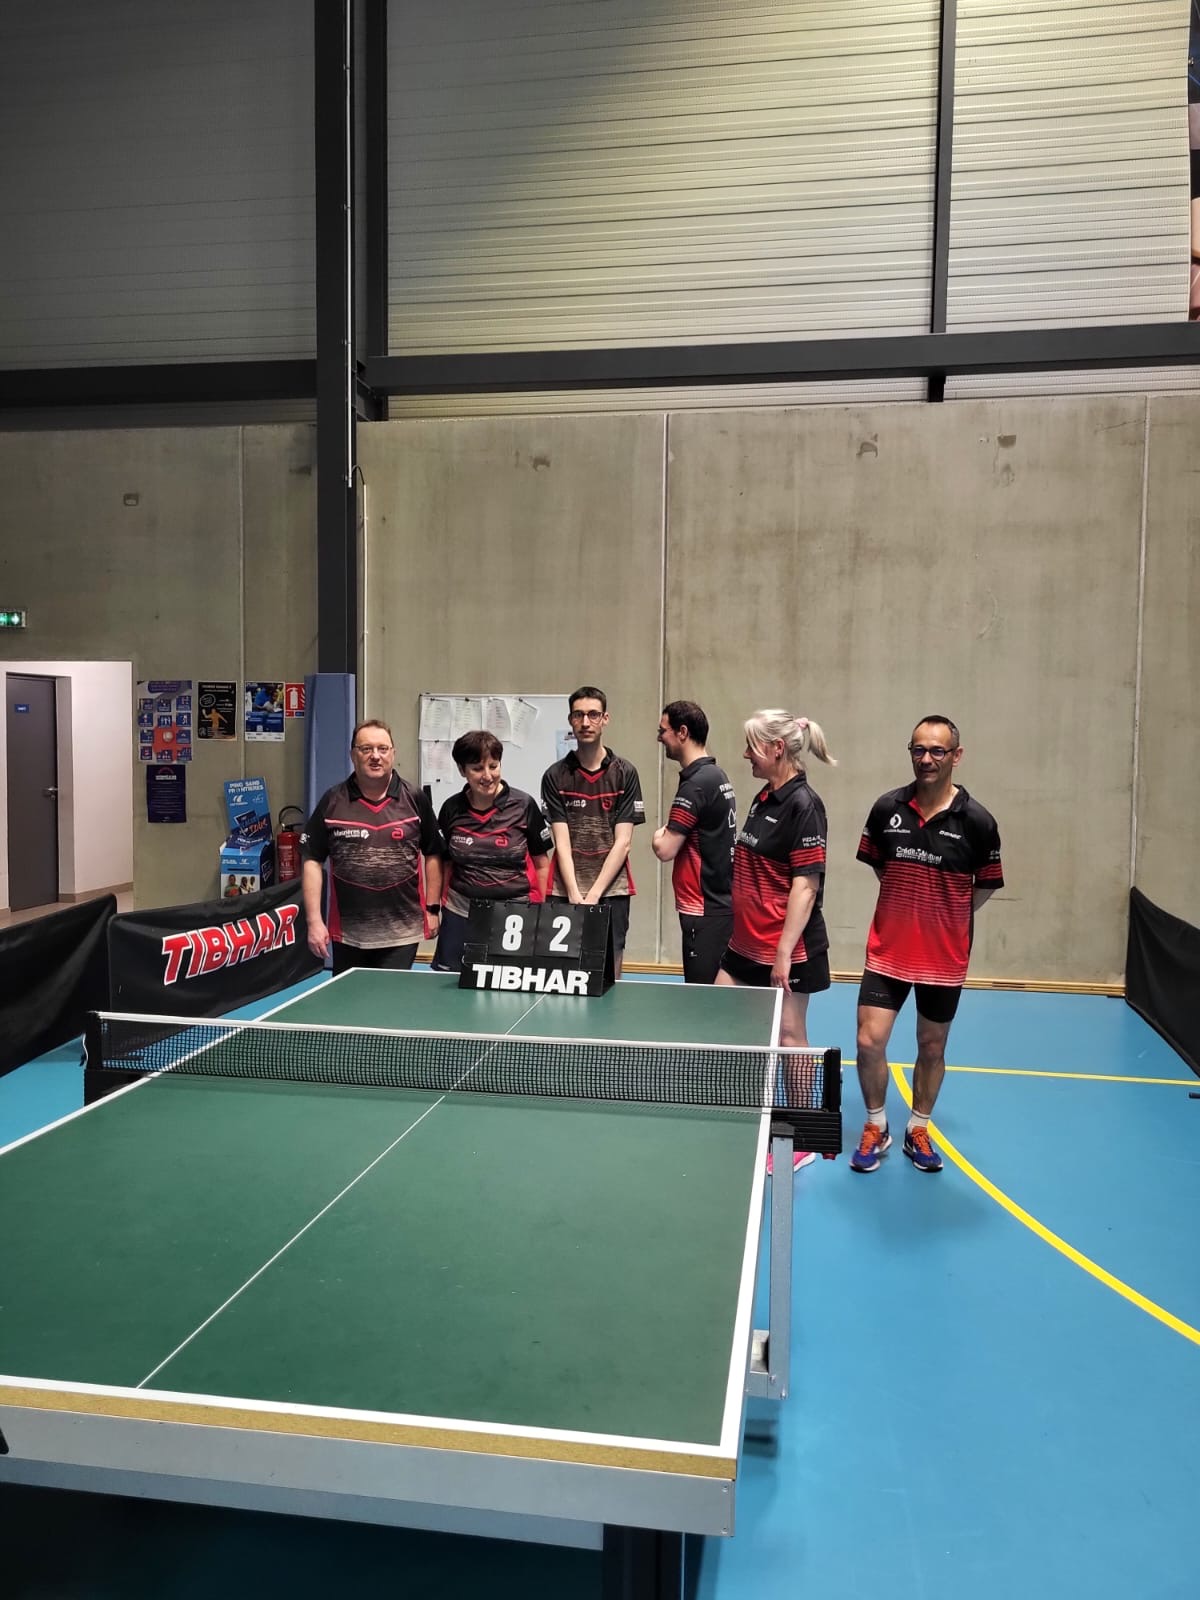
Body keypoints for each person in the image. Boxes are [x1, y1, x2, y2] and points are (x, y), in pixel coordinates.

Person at [850, 715, 1004, 1175]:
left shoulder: (978, 822)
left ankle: (918, 1127)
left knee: (931, 1047)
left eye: (937, 750)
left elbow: (984, 885)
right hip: (888, 952)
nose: (927, 759)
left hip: (943, 959)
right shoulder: (887, 809)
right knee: (868, 1041)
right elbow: (881, 866)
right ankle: (876, 1124)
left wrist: (946, 914)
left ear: (956, 755)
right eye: (918, 749)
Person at [716, 709, 837, 1173]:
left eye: (752, 746)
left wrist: (783, 954)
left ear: (776, 749)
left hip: (787, 948)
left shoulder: (804, 805)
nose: (746, 754)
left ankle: (801, 1135)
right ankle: (751, 1114)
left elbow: (805, 885)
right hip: (746, 942)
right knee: (724, 1017)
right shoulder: (764, 796)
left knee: (790, 1036)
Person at [301, 719, 443, 975]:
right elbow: (312, 858)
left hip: (402, 931)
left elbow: (433, 852)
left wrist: (432, 910)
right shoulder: (333, 800)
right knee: (349, 999)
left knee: (388, 997)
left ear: (393, 753)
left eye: (382, 748)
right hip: (349, 933)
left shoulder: (415, 798)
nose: (375, 756)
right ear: (353, 755)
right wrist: (314, 921)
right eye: (366, 749)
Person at [541, 686, 645, 977]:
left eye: (593, 714)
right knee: (562, 972)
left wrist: (595, 893)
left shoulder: (625, 773)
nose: (585, 722)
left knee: (610, 970)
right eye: (578, 715)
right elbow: (561, 842)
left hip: (612, 890)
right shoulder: (555, 775)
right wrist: (575, 893)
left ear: (605, 719)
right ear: (570, 720)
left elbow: (623, 842)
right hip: (565, 890)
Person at [432, 729, 554, 973]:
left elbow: (542, 864)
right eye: (477, 768)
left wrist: (543, 912)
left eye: (493, 766)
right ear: (462, 770)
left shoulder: (524, 805)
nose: (487, 776)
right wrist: (434, 908)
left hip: (515, 915)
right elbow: (444, 863)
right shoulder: (451, 808)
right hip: (460, 913)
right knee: (450, 986)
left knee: (509, 987)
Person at [651, 699, 736, 983]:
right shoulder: (716, 776)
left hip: (703, 909)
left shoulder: (696, 784)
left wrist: (658, 834)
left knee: (704, 1000)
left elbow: (665, 848)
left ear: (682, 732)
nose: (659, 738)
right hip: (717, 906)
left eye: (663, 731)